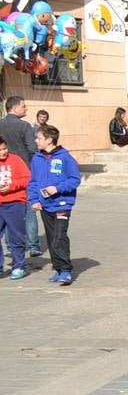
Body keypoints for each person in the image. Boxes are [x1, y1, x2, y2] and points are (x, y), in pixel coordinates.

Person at [28, 125, 80, 285]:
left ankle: (65, 270)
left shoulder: (65, 157)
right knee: (51, 238)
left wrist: (57, 188)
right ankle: (58, 268)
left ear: (49, 140)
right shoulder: (36, 158)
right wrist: (34, 199)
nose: (36, 141)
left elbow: (75, 179)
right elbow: (33, 182)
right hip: (45, 205)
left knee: (59, 236)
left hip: (62, 204)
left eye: (39, 138)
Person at [0, 97, 41, 260]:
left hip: (4, 172)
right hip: (22, 171)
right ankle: (33, 246)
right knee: (28, 211)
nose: (26, 109)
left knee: (7, 211)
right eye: (24, 106)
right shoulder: (24, 126)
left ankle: (11, 247)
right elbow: (32, 149)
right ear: (15, 107)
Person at [0, 138, 31, 280]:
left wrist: (11, 186)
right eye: (0, 150)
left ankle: (19, 266)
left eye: (5, 148)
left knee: (16, 237)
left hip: (15, 203)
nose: (3, 152)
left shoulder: (16, 160)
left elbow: (26, 178)